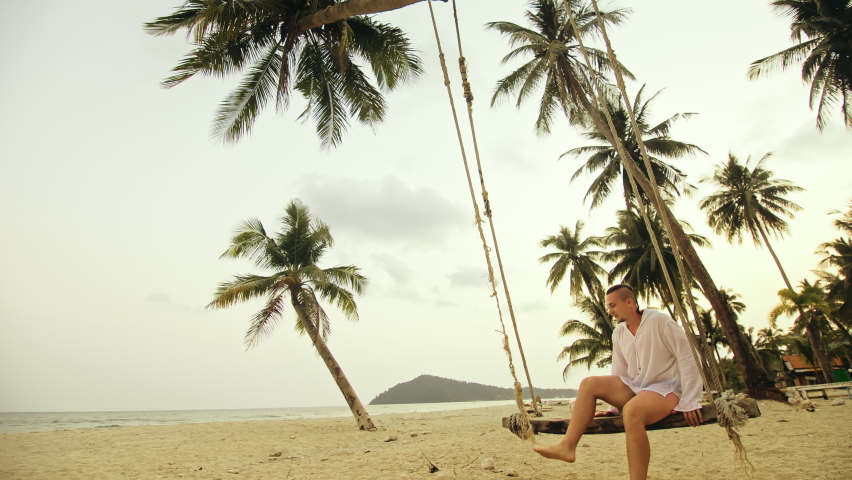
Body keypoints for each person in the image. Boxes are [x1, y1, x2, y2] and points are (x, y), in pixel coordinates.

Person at [533, 284, 704, 480]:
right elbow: (620, 373)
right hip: (638, 388)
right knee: (589, 383)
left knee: (632, 411)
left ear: (629, 302)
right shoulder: (619, 332)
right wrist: (614, 408)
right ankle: (567, 446)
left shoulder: (660, 322)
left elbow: (688, 357)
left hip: (667, 389)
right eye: (609, 306)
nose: (610, 311)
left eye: (613, 305)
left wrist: (689, 401)